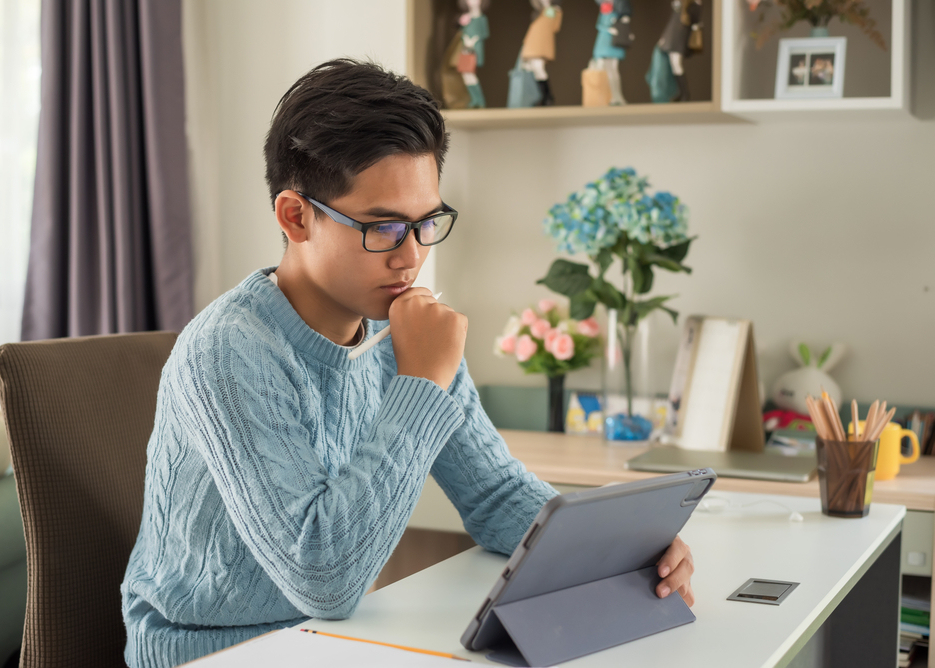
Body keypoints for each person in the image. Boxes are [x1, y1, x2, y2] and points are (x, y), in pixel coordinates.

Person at [120, 58, 696, 668]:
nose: (413, 256)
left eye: (426, 223)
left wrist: (618, 548)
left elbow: (496, 495)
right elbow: (324, 580)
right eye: (384, 227)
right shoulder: (231, 348)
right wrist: (421, 380)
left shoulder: (405, 326)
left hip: (327, 645)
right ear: (296, 216)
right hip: (211, 653)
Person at [521, 0, 563, 106]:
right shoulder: (539, 13)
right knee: (534, 70)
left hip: (541, 46)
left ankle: (547, 96)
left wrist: (548, 7)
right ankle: (541, 97)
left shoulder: (552, 11)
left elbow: (553, 25)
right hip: (532, 45)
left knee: (539, 69)